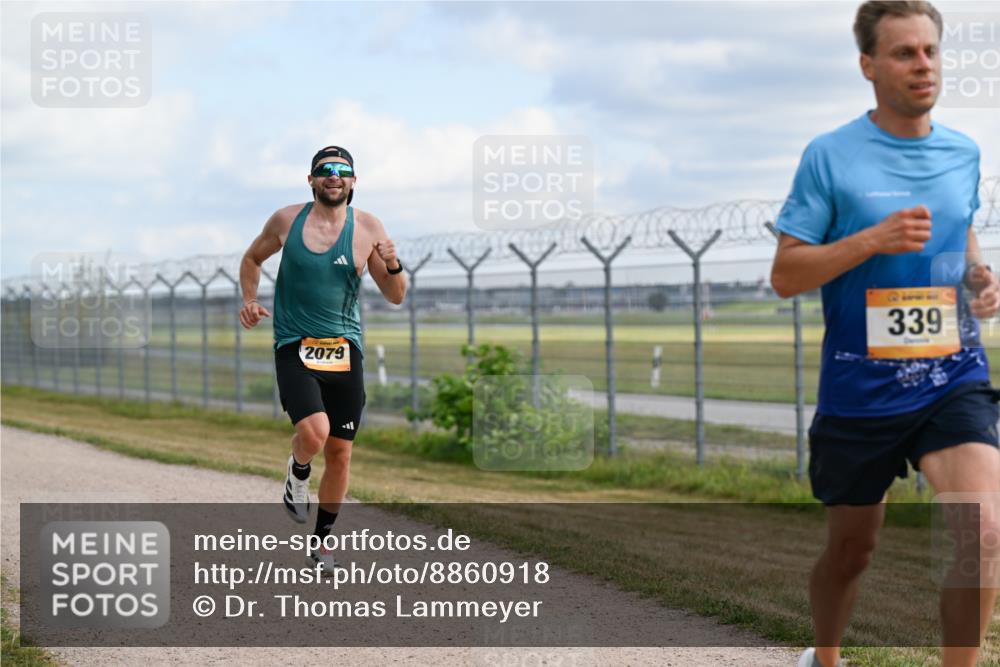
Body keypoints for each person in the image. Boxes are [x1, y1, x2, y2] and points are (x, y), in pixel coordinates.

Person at [770, 3, 1000, 666]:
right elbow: (786, 273)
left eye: (930, 51)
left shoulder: (963, 150)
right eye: (904, 53)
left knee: (983, 529)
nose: (922, 65)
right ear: (869, 65)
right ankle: (825, 654)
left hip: (950, 373)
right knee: (852, 552)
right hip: (860, 388)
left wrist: (979, 276)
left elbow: (959, 229)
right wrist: (872, 239)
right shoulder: (829, 157)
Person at [239, 145, 406, 574]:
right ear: (311, 180)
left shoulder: (368, 227)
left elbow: (395, 295)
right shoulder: (285, 221)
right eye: (324, 170)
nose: (334, 175)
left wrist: (392, 263)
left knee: (341, 454)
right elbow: (252, 258)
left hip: (345, 349)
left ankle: (323, 544)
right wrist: (250, 299)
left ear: (353, 181)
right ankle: (297, 474)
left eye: (342, 170)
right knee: (314, 434)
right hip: (295, 343)